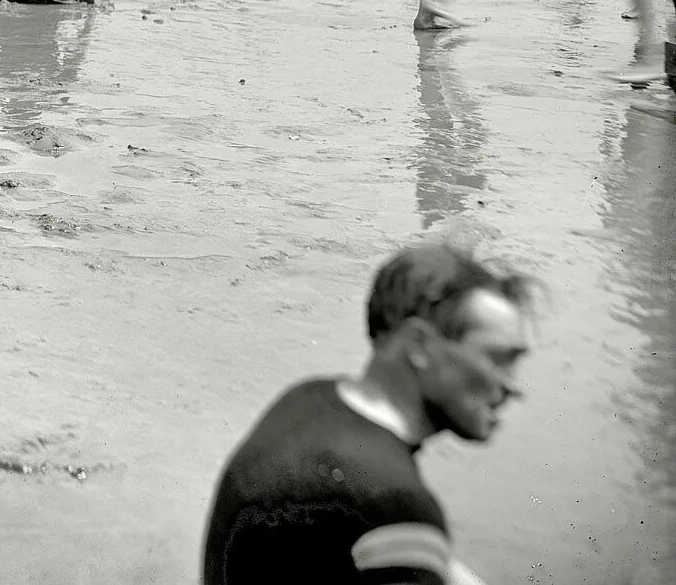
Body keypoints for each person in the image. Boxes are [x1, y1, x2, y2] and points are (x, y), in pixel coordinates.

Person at [202, 243, 534, 585]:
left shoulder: (310, 398)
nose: (513, 386)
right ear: (419, 345)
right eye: (498, 358)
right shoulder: (394, 502)